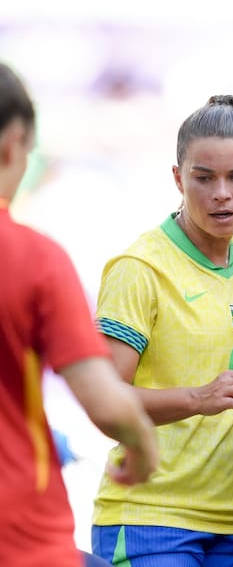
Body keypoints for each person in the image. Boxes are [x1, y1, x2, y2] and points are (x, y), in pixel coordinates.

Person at [90, 95, 233, 567]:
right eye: (203, 177)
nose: (222, 193)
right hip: (149, 517)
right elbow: (105, 403)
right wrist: (197, 397)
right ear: (178, 178)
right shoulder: (140, 268)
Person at [0, 62, 158, 567]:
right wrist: (142, 445)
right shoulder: (34, 258)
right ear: (14, 141)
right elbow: (105, 402)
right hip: (19, 531)